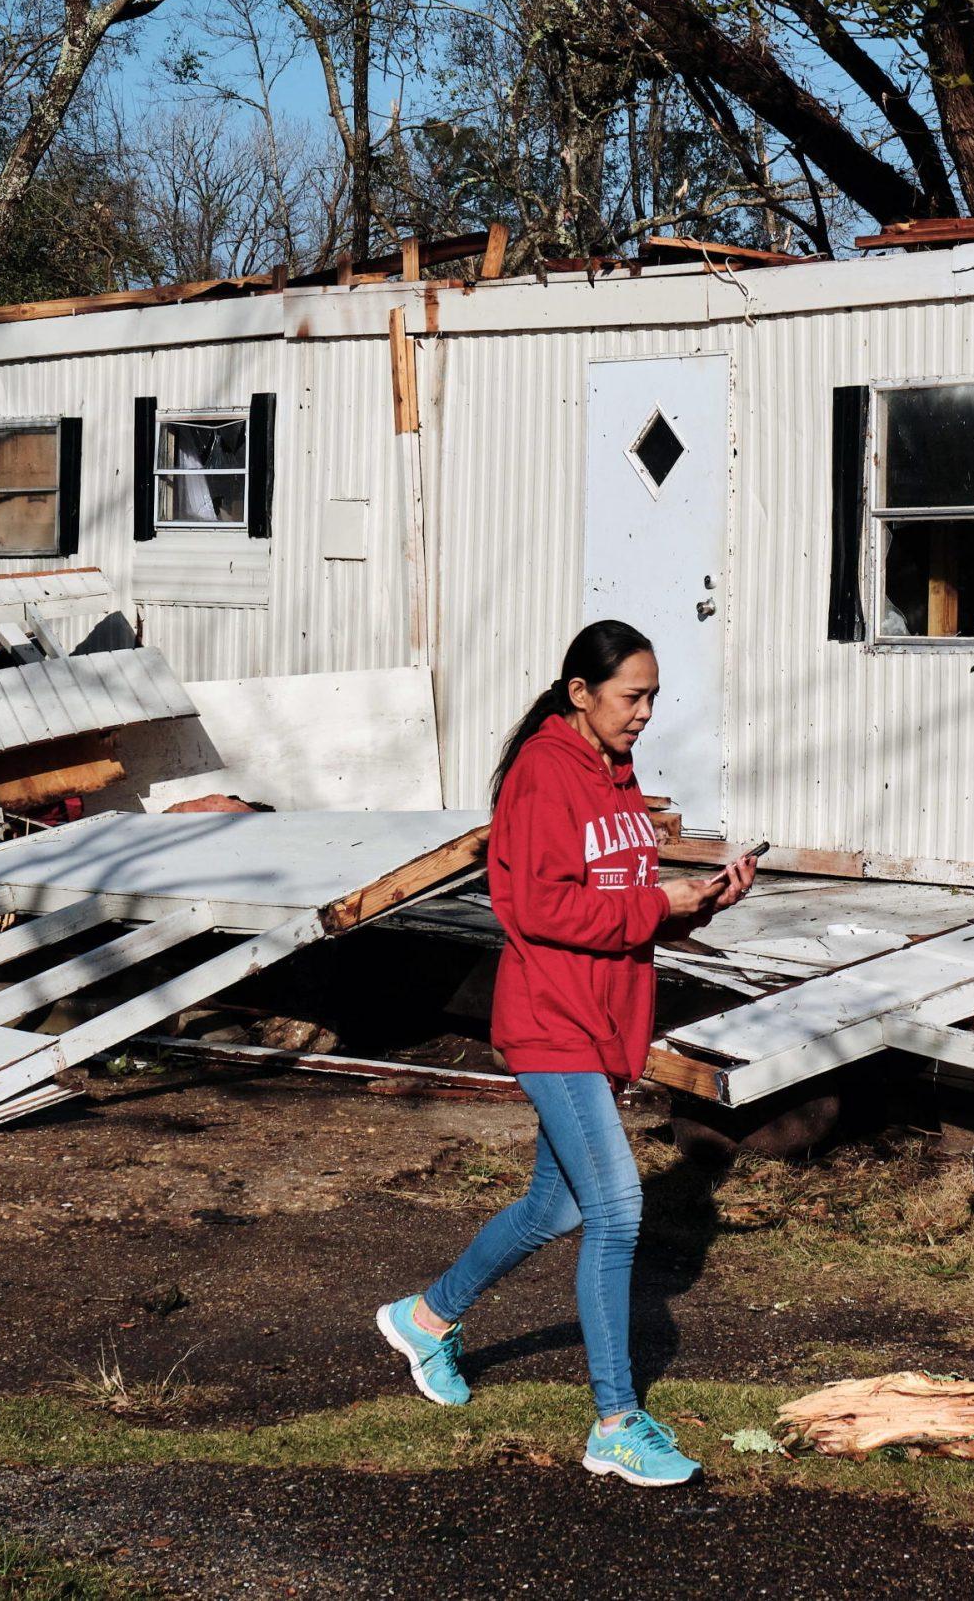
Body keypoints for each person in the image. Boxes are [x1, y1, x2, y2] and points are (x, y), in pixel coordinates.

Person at [375, 620, 755, 1487]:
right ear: (580, 693)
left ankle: (428, 1318)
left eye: (654, 695)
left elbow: (624, 902)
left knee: (557, 1207)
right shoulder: (545, 775)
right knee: (619, 1208)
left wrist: (701, 902)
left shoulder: (617, 779)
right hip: (551, 1019)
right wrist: (660, 903)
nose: (646, 713)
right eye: (632, 696)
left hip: (601, 1020)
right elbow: (540, 912)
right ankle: (616, 1421)